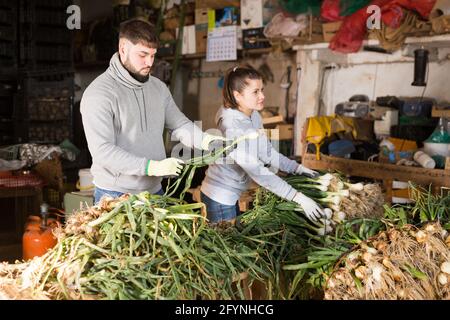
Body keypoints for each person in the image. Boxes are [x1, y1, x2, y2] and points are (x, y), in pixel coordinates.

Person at [80, 19, 226, 204]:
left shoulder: (158, 88)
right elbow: (103, 152)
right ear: (123, 48)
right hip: (116, 195)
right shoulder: (99, 94)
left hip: (154, 191)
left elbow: (179, 124)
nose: (149, 62)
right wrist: (151, 167)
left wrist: (206, 140)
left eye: (152, 55)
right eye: (142, 54)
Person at [200, 66, 326, 224]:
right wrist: (297, 197)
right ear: (237, 95)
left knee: (234, 242)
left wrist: (297, 168)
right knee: (226, 246)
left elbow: (267, 153)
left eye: (262, 90)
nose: (262, 96)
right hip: (219, 197)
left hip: (233, 192)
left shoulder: (253, 115)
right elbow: (257, 171)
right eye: (255, 92)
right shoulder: (231, 125)